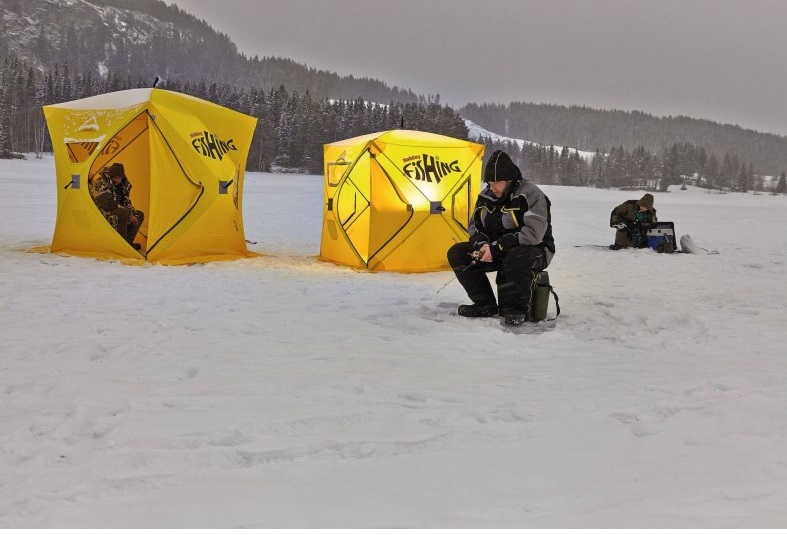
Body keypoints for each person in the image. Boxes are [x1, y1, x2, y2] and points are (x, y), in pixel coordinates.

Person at [447, 150, 555, 326]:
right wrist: (481, 245)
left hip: (535, 252)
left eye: (497, 182)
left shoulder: (531, 195)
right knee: (458, 253)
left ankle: (515, 309)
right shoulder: (485, 197)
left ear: (510, 180)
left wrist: (496, 248)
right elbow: (474, 227)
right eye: (489, 182)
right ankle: (485, 304)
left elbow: (533, 235)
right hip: (494, 251)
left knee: (516, 256)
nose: (493, 187)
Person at [90, 162, 144, 250]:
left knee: (139, 215)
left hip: (117, 210)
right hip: (101, 214)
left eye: (120, 178)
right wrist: (128, 214)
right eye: (116, 178)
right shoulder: (101, 183)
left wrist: (132, 214)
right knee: (123, 212)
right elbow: (107, 204)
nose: (118, 180)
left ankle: (128, 243)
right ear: (111, 176)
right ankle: (122, 246)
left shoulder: (122, 185)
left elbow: (126, 202)